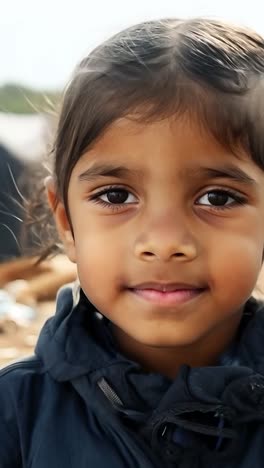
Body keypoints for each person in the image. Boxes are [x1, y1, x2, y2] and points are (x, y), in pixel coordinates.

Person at [1, 17, 264, 468]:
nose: (163, 244)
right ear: (66, 221)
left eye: (216, 197)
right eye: (116, 196)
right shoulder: (17, 415)